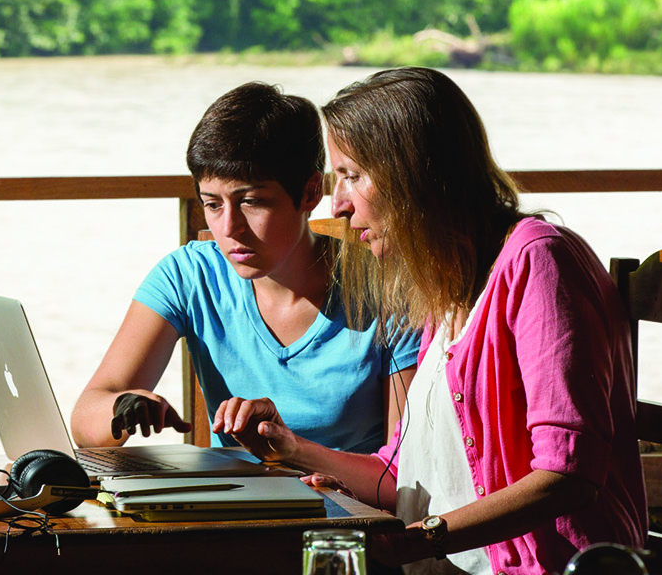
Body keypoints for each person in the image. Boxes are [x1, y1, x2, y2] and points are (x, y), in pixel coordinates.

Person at [226, 67, 647, 575]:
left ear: (415, 176)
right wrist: (292, 449)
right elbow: (402, 477)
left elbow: (568, 475)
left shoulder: (539, 261)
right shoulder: (446, 292)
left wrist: (420, 539)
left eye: (353, 176)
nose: (338, 204)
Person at [70, 81, 419, 457]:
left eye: (252, 202)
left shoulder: (387, 293)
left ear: (310, 192)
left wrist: (293, 450)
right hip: (234, 508)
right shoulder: (190, 276)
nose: (229, 229)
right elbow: (85, 417)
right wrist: (122, 409)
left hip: (347, 510)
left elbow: (403, 466)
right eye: (213, 204)